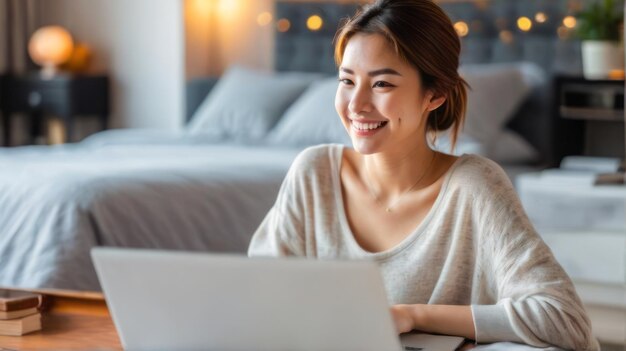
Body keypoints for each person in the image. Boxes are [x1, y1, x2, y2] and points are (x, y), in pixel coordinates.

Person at [248, 0, 599, 349]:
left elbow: (565, 320)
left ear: (435, 94)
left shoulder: (473, 186)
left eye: (382, 84)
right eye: (347, 80)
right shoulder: (313, 174)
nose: (356, 105)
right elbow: (258, 303)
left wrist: (413, 316)